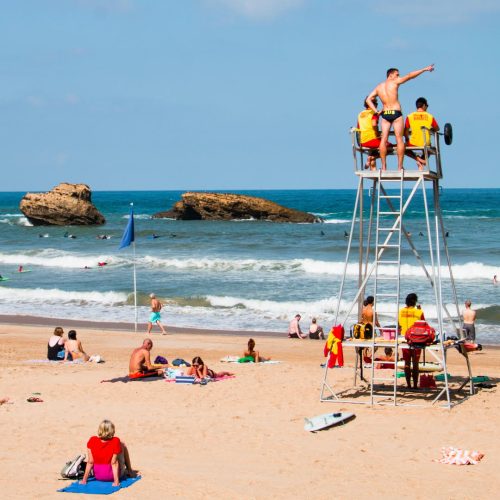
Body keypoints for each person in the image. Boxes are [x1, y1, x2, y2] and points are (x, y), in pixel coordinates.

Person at [366, 65, 435, 171]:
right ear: (390, 75)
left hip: (385, 113)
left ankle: (384, 167)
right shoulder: (394, 82)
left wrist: (376, 111)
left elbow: (368, 99)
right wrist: (424, 69)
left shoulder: (379, 87)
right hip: (396, 112)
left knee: (383, 140)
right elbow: (410, 76)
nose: (398, 76)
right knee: (399, 140)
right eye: (397, 74)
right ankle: (399, 167)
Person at [81, 420, 134, 487]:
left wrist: (84, 480)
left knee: (116, 448)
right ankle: (129, 470)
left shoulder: (92, 440)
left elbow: (90, 462)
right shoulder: (115, 441)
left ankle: (85, 479)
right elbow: (114, 463)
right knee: (122, 445)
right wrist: (116, 482)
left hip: (98, 475)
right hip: (111, 476)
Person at [404, 97, 439, 170]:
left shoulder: (410, 116)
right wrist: (430, 129)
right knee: (429, 149)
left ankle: (418, 159)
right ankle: (422, 160)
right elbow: (437, 128)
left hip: (413, 143)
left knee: (401, 148)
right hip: (426, 143)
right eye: (427, 105)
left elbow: (406, 131)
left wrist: (407, 139)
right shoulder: (430, 116)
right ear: (424, 105)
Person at [398, 293, 425, 389]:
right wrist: (419, 310)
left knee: (407, 363)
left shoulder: (401, 311)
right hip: (416, 339)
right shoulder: (419, 312)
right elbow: (423, 325)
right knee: (415, 363)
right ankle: (415, 385)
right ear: (415, 301)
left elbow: (399, 325)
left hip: (404, 339)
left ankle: (408, 384)